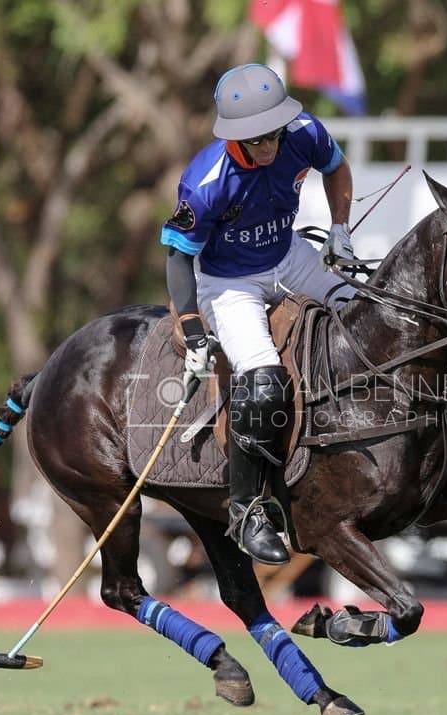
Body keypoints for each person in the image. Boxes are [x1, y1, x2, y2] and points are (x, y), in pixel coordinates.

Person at [161, 63, 357, 566]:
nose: (269, 146)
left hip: (289, 256)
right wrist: (193, 329)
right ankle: (246, 510)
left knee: (362, 319)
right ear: (234, 137)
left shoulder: (304, 131)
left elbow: (336, 167)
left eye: (274, 134)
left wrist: (340, 230)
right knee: (264, 383)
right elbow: (178, 257)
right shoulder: (205, 182)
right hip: (230, 283)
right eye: (257, 139)